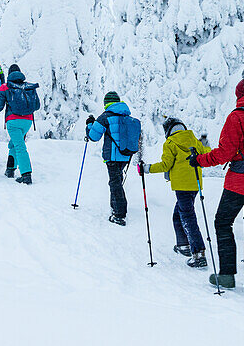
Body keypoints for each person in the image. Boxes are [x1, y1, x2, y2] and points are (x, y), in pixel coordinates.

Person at [190, 65, 244, 298]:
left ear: (239, 96)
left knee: (223, 223)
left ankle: (227, 275)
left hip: (238, 183)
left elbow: (224, 154)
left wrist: (198, 160)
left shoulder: (236, 118)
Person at [142, 117, 211, 269]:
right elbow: (206, 153)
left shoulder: (170, 143)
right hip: (195, 184)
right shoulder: (193, 139)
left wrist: (147, 168)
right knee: (179, 214)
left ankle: (198, 253)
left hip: (182, 186)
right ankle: (183, 245)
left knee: (187, 217)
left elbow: (166, 165)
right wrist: (205, 144)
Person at [86, 91, 138, 226]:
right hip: (125, 155)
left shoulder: (105, 117)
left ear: (106, 103)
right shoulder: (126, 116)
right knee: (117, 181)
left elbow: (93, 136)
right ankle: (115, 206)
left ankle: (119, 214)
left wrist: (90, 124)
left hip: (112, 156)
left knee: (115, 183)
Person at [0, 64, 39, 185]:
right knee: (14, 144)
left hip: (13, 121)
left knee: (20, 147)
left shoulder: (5, 87)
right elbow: (37, 106)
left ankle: (26, 175)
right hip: (27, 121)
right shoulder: (28, 86)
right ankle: (10, 170)